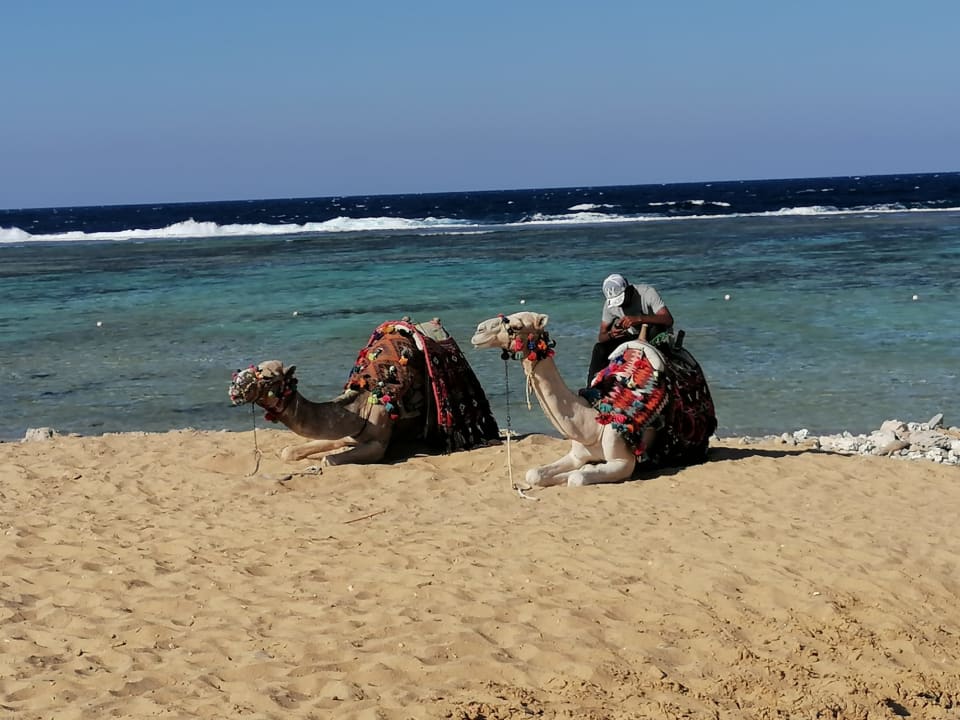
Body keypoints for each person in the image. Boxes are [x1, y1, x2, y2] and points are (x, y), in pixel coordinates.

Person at [586, 273, 675, 384]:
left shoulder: (647, 293)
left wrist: (639, 319)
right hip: (631, 336)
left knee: (657, 329)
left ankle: (662, 376)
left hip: (654, 333)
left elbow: (668, 319)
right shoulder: (610, 306)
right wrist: (612, 335)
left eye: (621, 299)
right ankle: (592, 387)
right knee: (599, 348)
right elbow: (601, 336)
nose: (620, 305)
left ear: (628, 289)